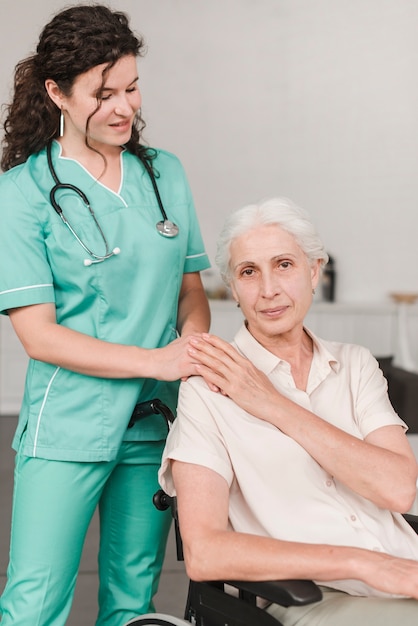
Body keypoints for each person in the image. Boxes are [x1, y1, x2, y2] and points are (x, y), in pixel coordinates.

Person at [0, 4, 210, 625]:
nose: (124, 108)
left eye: (132, 87)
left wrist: (189, 360)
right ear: (56, 93)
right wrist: (158, 359)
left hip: (153, 423)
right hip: (67, 426)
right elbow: (38, 335)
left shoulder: (163, 173)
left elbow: (190, 295)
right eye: (104, 93)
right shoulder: (22, 194)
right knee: (34, 606)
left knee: (132, 606)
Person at [159, 197, 418, 625]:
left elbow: (397, 490)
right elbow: (205, 552)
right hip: (317, 600)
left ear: (314, 271)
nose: (268, 290)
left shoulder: (354, 365)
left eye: (284, 265)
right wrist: (363, 563)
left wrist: (272, 403)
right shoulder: (207, 391)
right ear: (233, 288)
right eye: (248, 272)